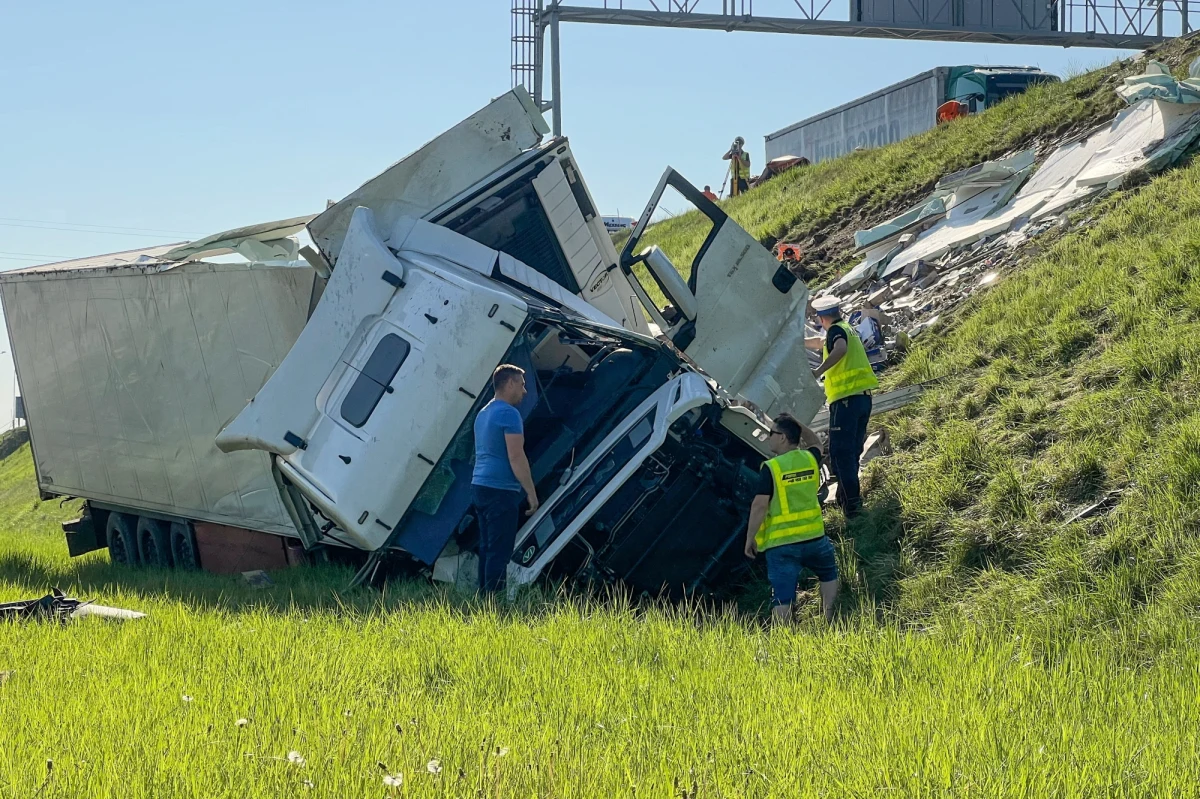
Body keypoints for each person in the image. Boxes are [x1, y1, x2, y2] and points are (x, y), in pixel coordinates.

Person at [743, 413, 839, 624]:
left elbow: (759, 506)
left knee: (782, 597)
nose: (769, 438)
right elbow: (815, 441)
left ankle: (784, 640)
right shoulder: (809, 458)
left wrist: (750, 538)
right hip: (814, 538)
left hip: (782, 545)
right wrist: (797, 422)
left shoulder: (772, 468)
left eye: (772, 433)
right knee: (829, 574)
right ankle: (831, 621)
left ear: (783, 437)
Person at [805, 296, 879, 518]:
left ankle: (853, 508)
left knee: (841, 455)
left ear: (822, 317)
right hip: (862, 399)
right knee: (852, 452)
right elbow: (821, 342)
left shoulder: (837, 332)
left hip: (846, 401)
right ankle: (847, 500)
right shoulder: (846, 328)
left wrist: (818, 372)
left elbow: (839, 348)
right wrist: (797, 341)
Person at [471, 364, 539, 594]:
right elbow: (516, 456)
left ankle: (485, 599)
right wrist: (530, 492)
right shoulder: (509, 414)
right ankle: (494, 604)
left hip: (480, 485)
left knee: (487, 547)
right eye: (521, 384)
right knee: (500, 551)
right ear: (509, 383)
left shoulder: (484, 412)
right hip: (500, 489)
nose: (524, 391)